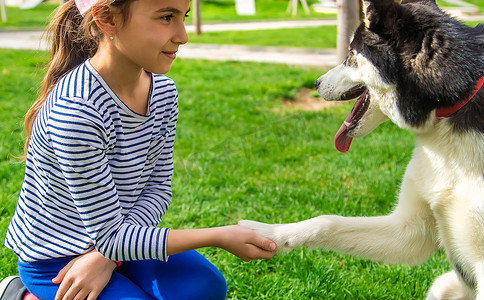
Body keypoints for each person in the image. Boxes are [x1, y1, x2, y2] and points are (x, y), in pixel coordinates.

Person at [3, 0, 277, 299]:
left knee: (205, 289)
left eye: (183, 17)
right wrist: (218, 235)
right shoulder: (77, 110)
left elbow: (158, 189)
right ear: (107, 19)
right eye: (167, 17)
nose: (183, 35)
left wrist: (108, 256)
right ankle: (21, 294)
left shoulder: (163, 93)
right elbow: (111, 237)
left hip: (118, 241)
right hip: (56, 259)